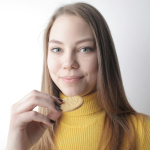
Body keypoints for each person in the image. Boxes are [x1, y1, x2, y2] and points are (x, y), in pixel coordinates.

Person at [5, 2, 150, 150]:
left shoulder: (143, 131)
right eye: (57, 49)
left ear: (103, 56)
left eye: (84, 49)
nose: (69, 63)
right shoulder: (27, 132)